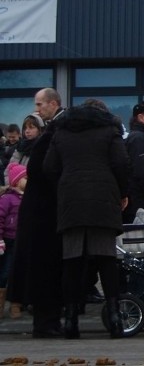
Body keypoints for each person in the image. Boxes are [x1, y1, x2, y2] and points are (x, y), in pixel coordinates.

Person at [43, 99, 130, 338]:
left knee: (72, 262)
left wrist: (63, 187)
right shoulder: (109, 130)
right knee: (106, 260)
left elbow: (49, 167)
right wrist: (122, 192)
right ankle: (114, 319)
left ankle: (70, 321)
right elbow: (121, 162)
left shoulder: (62, 132)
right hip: (103, 199)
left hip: (71, 202)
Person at [7, 88, 66, 337]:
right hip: (44, 215)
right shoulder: (51, 137)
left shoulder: (51, 135)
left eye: (40, 104)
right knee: (45, 269)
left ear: (53, 104)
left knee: (38, 269)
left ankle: (45, 321)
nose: (36, 109)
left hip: (39, 214)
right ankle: (46, 322)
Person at [0, 162, 27, 319]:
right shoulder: (7, 199)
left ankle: (16, 304)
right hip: (9, 241)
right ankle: (2, 303)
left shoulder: (28, 198)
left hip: (22, 240)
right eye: (25, 178)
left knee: (19, 272)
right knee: (5, 273)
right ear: (16, 181)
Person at [3, 114, 45, 182]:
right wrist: (11, 185)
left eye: (31, 127)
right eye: (25, 128)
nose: (27, 131)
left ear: (40, 130)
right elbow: (8, 171)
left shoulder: (44, 148)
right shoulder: (20, 147)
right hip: (15, 187)